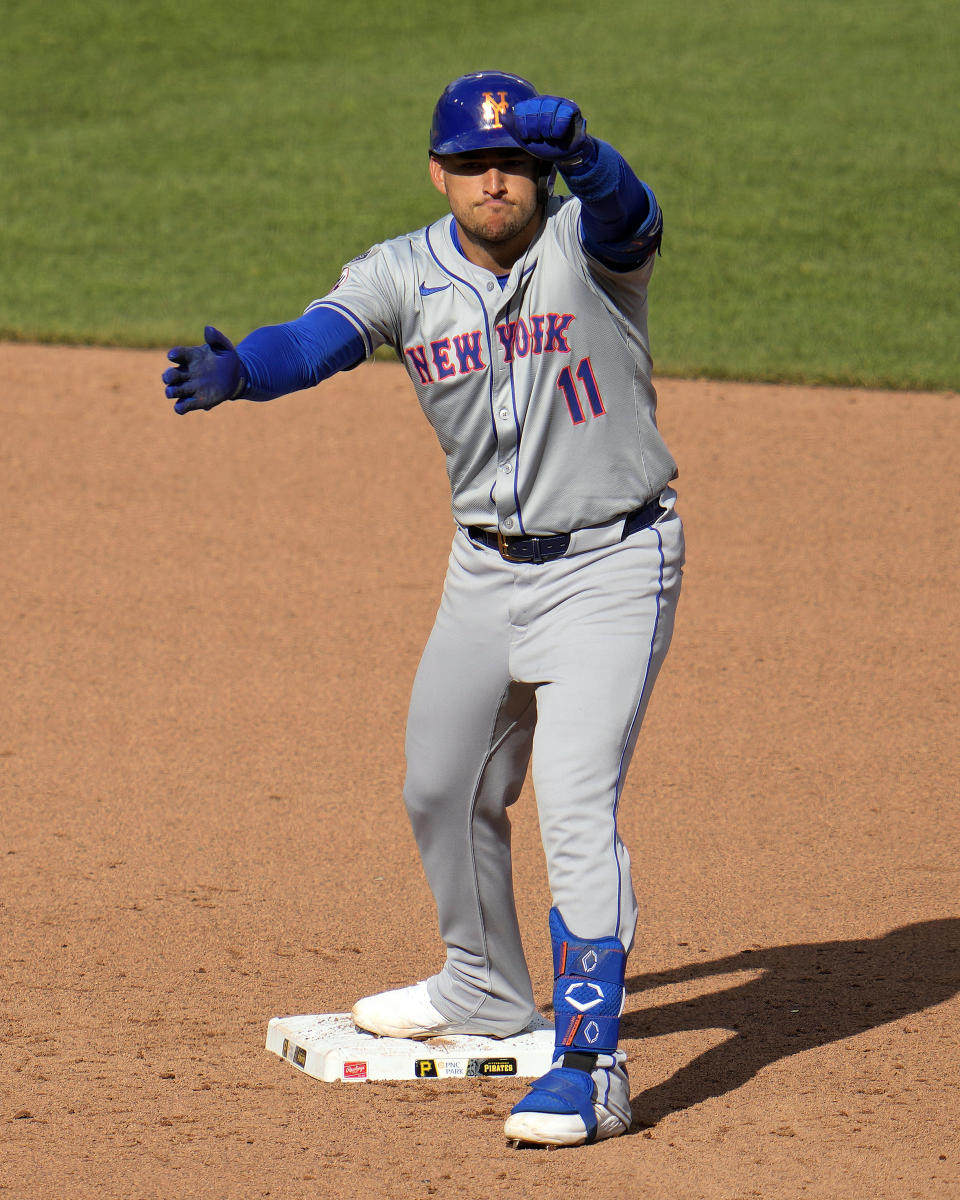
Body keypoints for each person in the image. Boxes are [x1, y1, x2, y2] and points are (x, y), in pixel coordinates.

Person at [163, 69, 684, 1148]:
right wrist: (245, 373)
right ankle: (487, 989)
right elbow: (319, 338)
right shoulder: (403, 270)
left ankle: (591, 1065)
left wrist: (585, 152)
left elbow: (634, 214)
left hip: (611, 568)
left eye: (519, 166)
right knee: (442, 786)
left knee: (576, 809)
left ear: (542, 175)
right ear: (439, 173)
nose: (498, 183)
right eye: (476, 165)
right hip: (484, 574)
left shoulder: (589, 241)